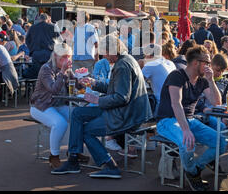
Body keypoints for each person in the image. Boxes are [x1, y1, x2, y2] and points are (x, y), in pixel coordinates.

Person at [51, 35, 152, 179]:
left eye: (105, 52)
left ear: (112, 50)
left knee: (86, 131)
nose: (104, 56)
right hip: (128, 112)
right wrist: (94, 83)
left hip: (127, 116)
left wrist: (98, 100)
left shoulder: (122, 66)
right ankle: (73, 157)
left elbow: (122, 97)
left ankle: (110, 165)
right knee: (77, 113)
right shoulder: (126, 60)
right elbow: (117, 90)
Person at [155, 45, 227, 191]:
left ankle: (193, 170)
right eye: (206, 63)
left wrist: (211, 80)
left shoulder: (202, 79)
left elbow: (216, 102)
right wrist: (186, 130)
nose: (209, 66)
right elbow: (176, 104)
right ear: (196, 63)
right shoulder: (177, 76)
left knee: (221, 142)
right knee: (188, 142)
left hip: (190, 119)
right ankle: (193, 174)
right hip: (167, 120)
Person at [29, 43, 82, 169]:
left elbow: (77, 86)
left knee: (79, 117)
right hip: (40, 106)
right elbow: (53, 89)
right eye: (63, 57)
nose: (66, 61)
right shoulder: (46, 69)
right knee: (60, 123)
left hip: (57, 105)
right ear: (55, 56)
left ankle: (74, 152)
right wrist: (63, 72)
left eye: (68, 57)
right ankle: (54, 156)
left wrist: (83, 80)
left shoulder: (67, 69)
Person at [140, 44, 176, 116]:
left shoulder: (151, 64)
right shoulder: (170, 63)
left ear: (149, 55)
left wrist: (139, 66)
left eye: (145, 55)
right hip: (175, 103)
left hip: (161, 105)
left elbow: (136, 81)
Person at [24, 13, 60, 79]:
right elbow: (59, 40)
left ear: (39, 19)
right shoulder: (52, 27)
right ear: (47, 19)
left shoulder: (33, 27)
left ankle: (38, 87)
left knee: (38, 74)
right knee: (48, 74)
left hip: (36, 53)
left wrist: (32, 49)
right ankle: (49, 86)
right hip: (48, 53)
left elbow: (27, 40)